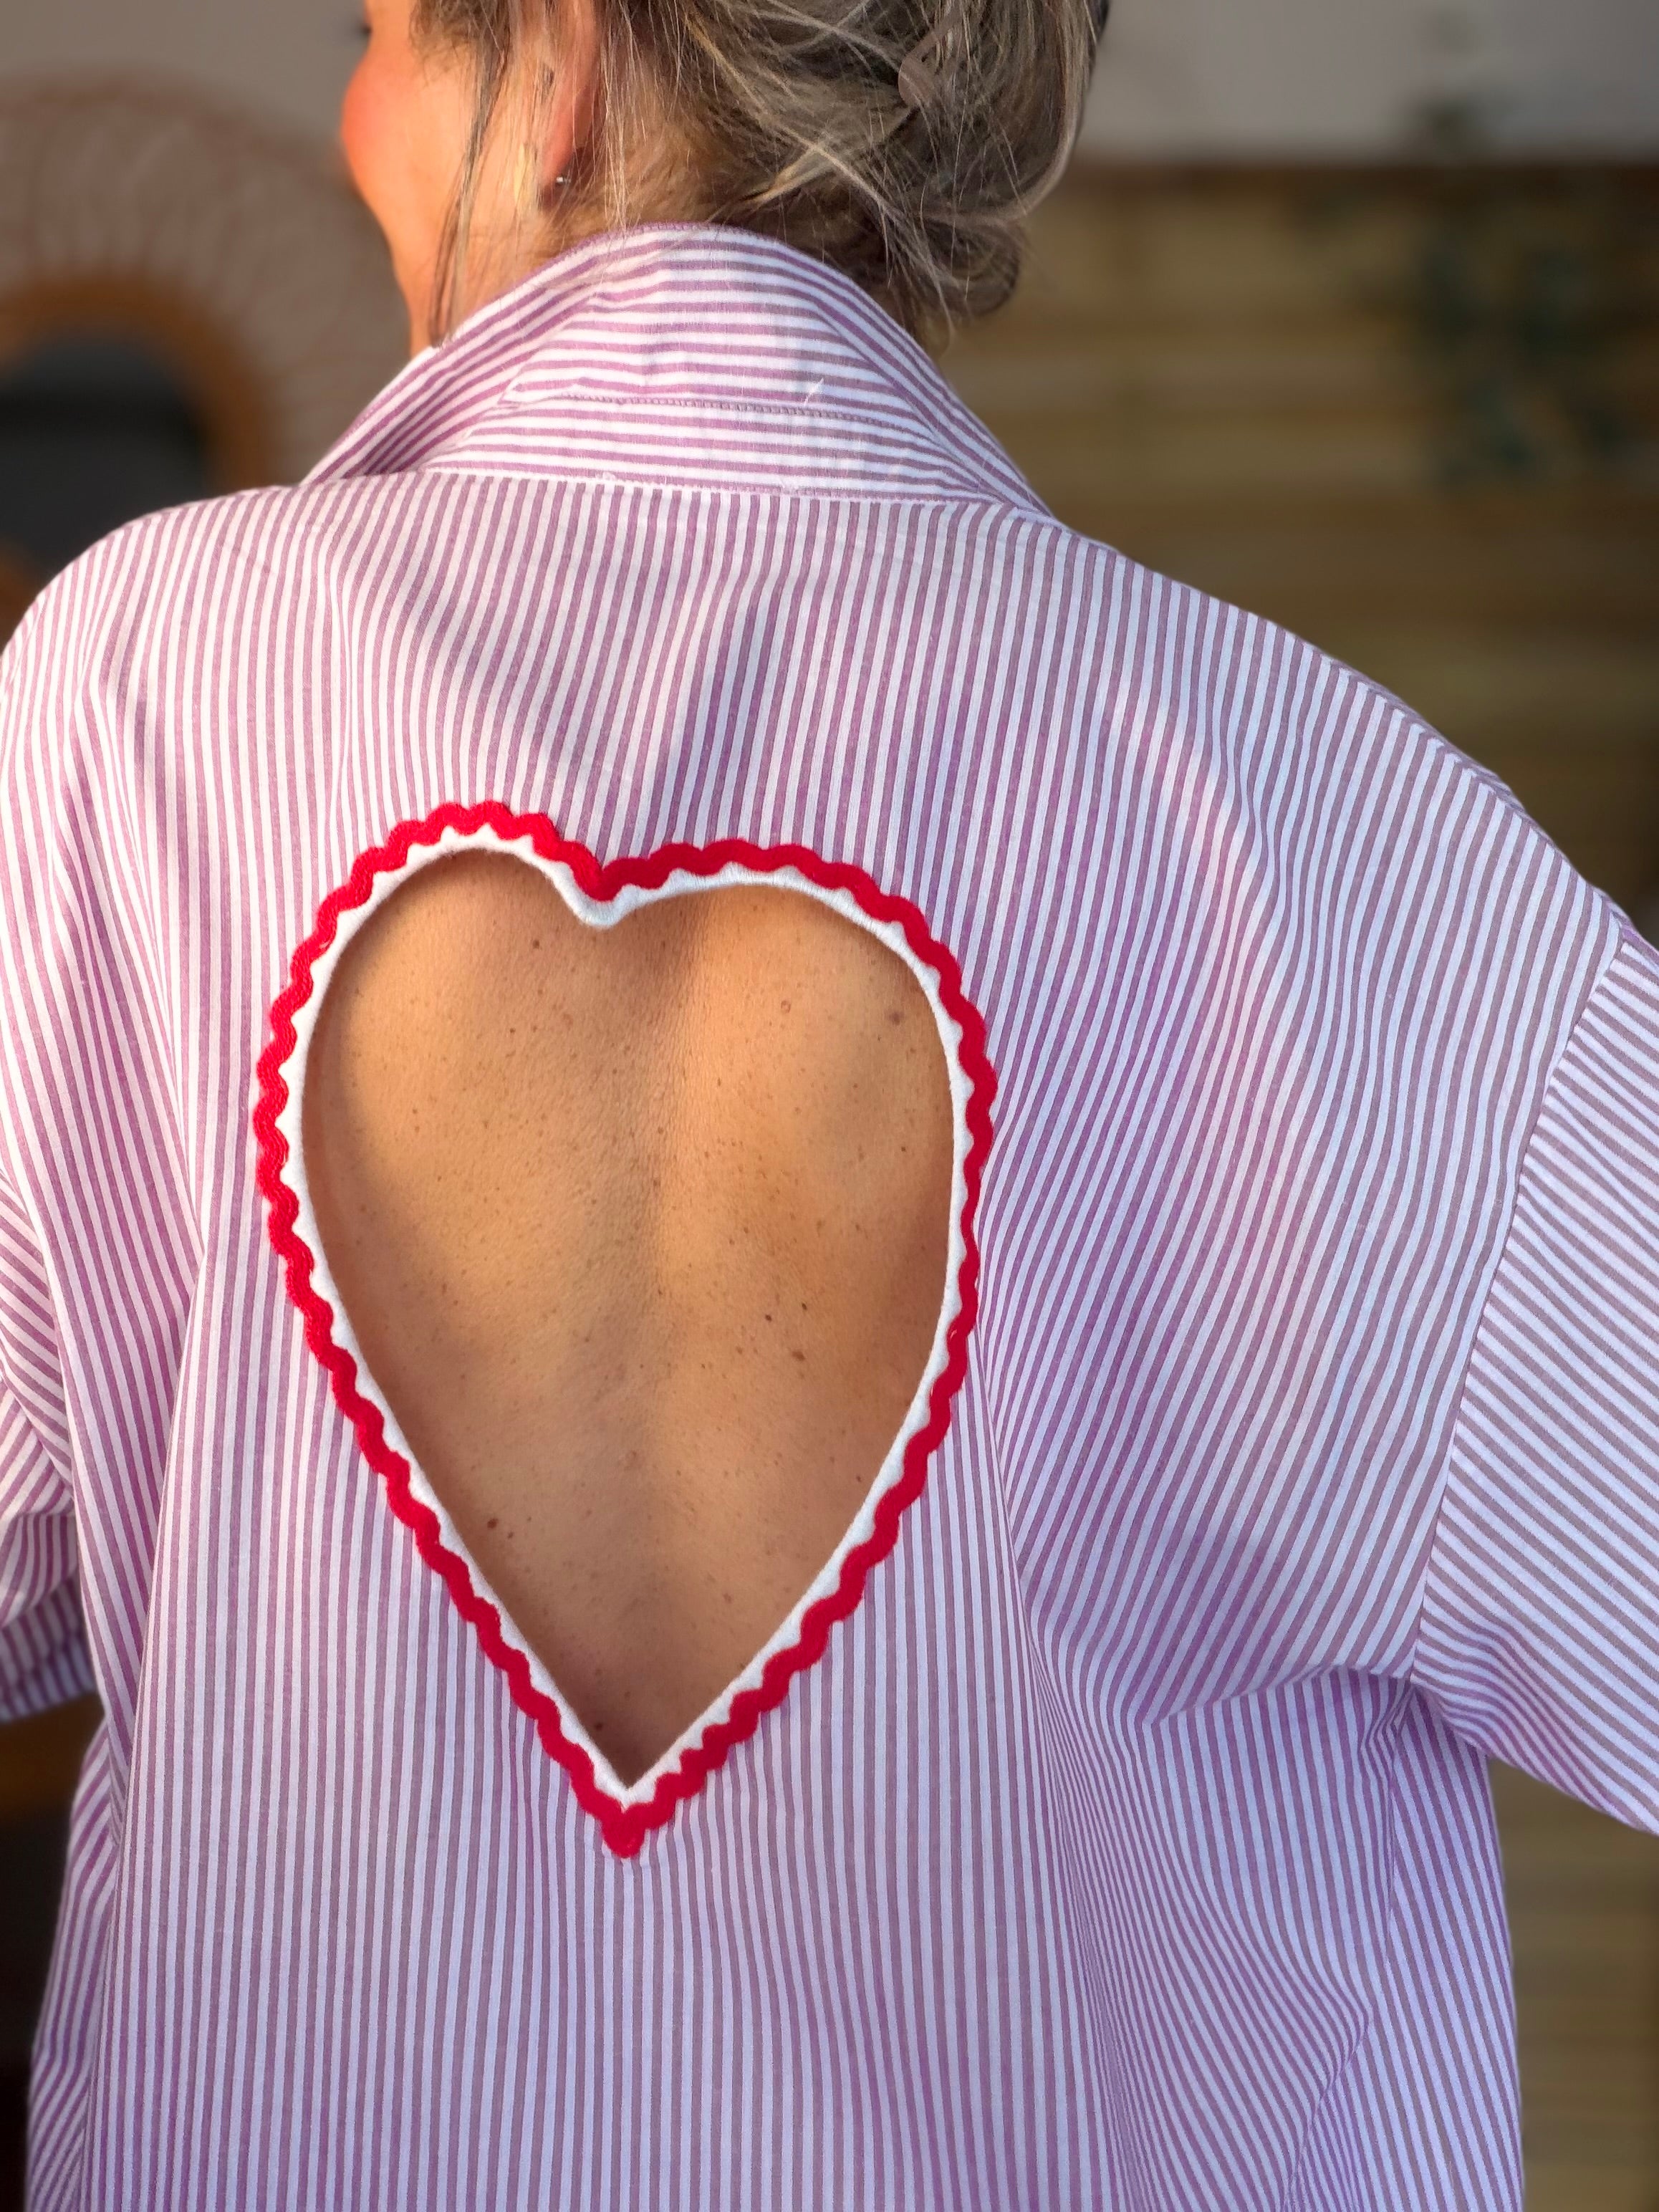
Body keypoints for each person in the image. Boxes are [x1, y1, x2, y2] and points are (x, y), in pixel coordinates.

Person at [1, 0, 1655, 2202]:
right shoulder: (1343, 835)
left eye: (377, 33)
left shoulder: (135, 700)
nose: (349, 124)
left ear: (559, 63)